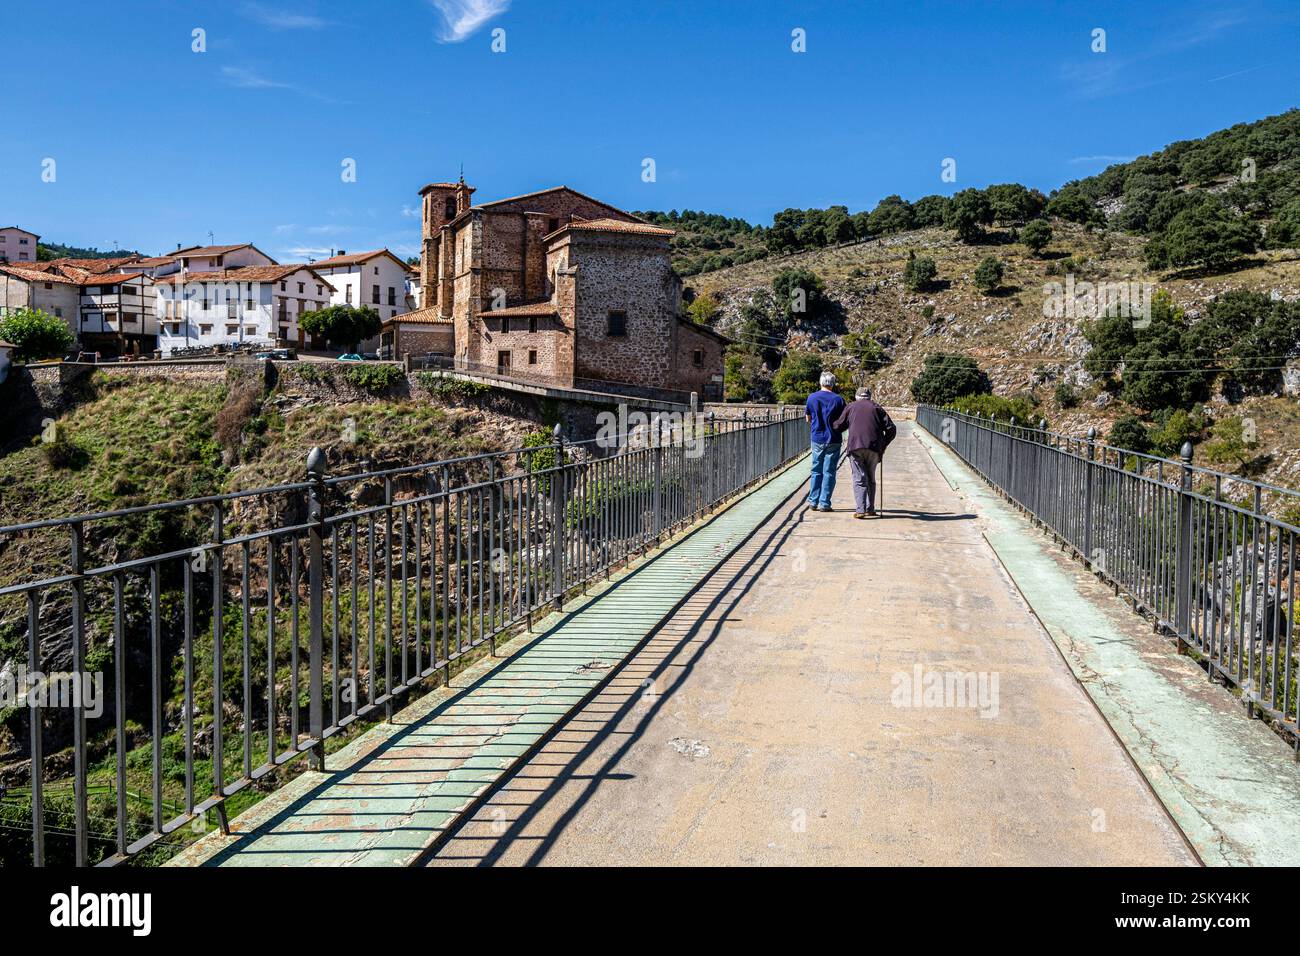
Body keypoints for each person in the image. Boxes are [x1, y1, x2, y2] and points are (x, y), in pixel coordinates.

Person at [832, 387, 896, 518]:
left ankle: (860, 510)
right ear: (869, 397)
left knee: (859, 478)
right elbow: (891, 429)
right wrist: (884, 444)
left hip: (855, 446)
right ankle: (870, 508)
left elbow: (838, 426)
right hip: (874, 448)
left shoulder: (851, 407)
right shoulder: (876, 407)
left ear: (856, 397)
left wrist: (830, 421)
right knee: (871, 477)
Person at [804, 372, 846, 512]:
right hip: (834, 439)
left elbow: (808, 418)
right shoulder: (839, 399)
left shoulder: (812, 398)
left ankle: (813, 501)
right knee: (829, 471)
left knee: (816, 470)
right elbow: (843, 420)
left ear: (821, 382)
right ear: (833, 383)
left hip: (817, 438)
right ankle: (824, 503)